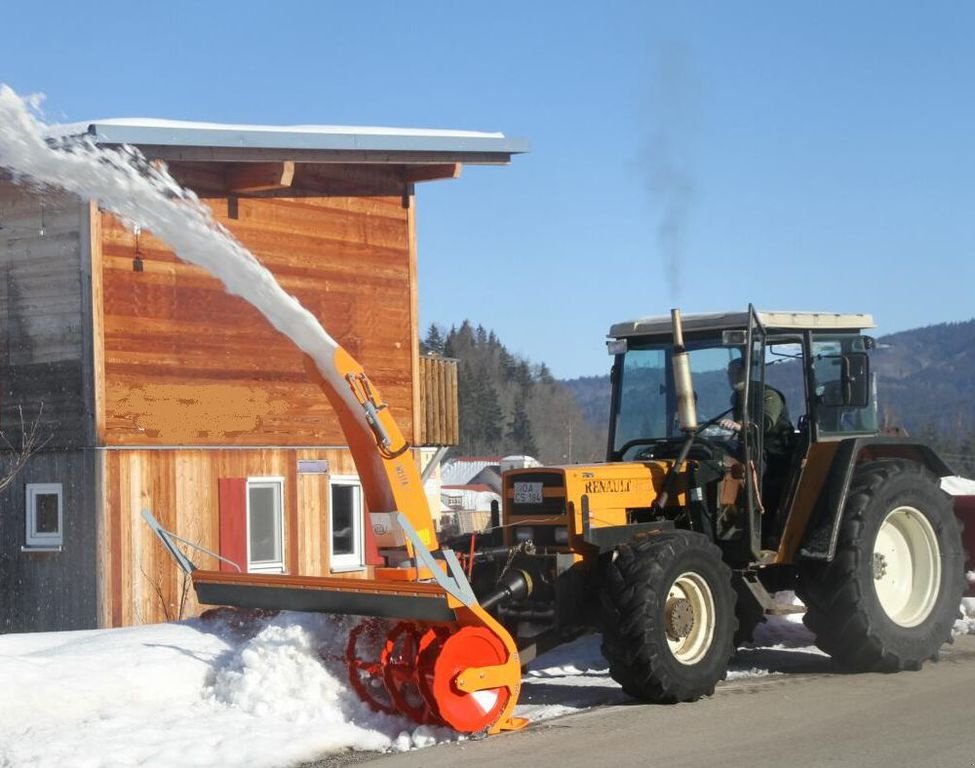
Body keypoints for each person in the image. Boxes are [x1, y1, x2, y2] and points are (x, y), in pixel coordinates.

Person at [719, 357, 795, 538]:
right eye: (730, 373)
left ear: (747, 373)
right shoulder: (737, 396)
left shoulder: (768, 395)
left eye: (737, 372)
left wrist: (741, 426)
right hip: (751, 447)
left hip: (776, 451)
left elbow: (766, 422)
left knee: (754, 470)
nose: (733, 376)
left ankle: (757, 521)